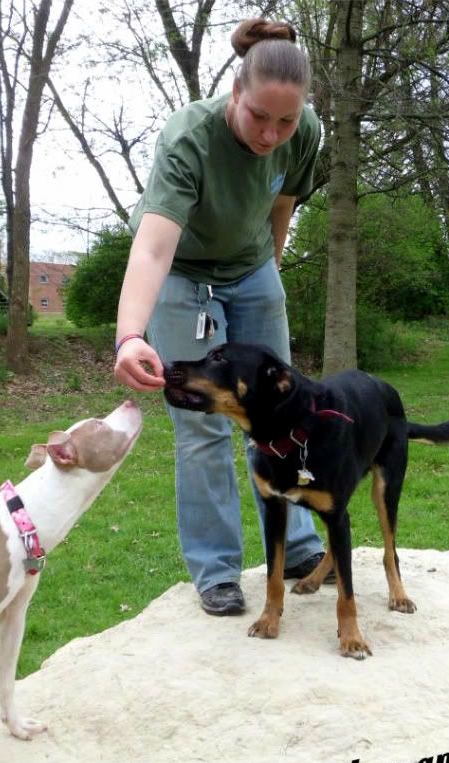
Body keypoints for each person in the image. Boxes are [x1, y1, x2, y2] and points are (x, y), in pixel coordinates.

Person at [114, 17, 328, 616]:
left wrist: (270, 275)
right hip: (182, 273)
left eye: (285, 121)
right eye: (259, 116)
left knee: (284, 410)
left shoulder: (305, 131)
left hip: (251, 267)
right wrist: (130, 335)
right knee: (203, 421)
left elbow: (281, 205)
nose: (271, 134)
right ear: (235, 92)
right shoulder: (189, 139)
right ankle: (217, 570)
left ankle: (300, 547)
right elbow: (153, 250)